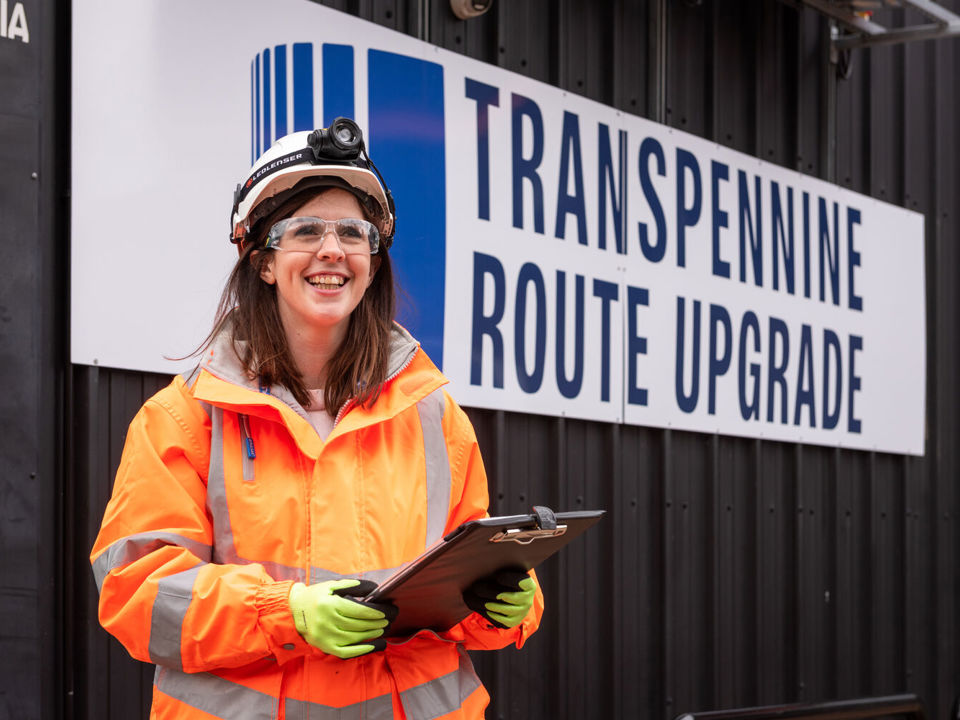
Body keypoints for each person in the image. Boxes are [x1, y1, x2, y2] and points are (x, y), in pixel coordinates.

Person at [90, 118, 543, 719]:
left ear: (372, 263)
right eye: (305, 229)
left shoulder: (434, 415)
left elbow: (468, 569)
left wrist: (508, 602)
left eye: (353, 233)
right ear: (263, 261)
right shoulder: (182, 419)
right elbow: (136, 595)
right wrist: (285, 611)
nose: (332, 249)